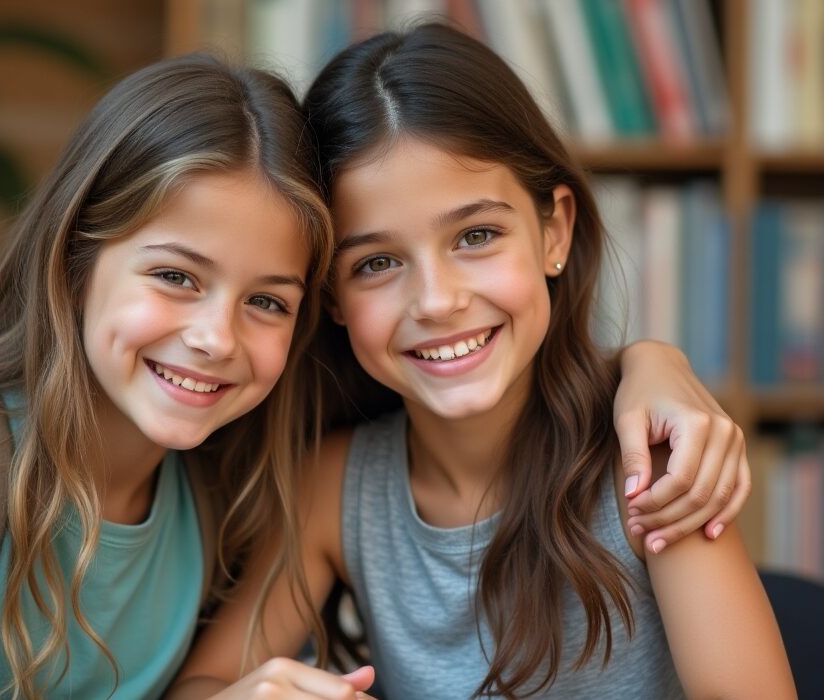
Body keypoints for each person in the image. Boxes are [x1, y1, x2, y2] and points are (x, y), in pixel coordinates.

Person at [168, 25, 793, 700]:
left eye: (476, 235)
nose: (437, 301)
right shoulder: (340, 489)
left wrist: (650, 361)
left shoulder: (651, 460)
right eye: (377, 263)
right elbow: (203, 683)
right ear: (331, 297)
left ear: (553, 230)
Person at [0, 54, 334, 699]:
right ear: (76, 260)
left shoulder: (230, 486)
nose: (216, 338)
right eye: (175, 276)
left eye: (267, 302)